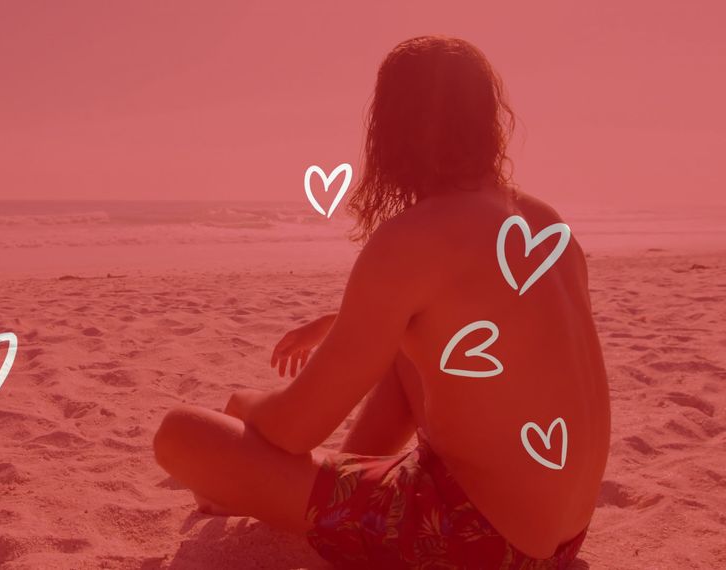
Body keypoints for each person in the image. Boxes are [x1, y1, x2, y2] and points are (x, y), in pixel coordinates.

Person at [152, 35, 610, 568]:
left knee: (180, 434)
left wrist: (243, 403)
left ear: (391, 131)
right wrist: (339, 322)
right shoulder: (546, 224)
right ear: (489, 119)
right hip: (561, 536)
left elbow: (293, 429)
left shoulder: (414, 236)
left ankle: (305, 493)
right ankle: (333, 487)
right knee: (403, 357)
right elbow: (477, 321)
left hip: (478, 541)